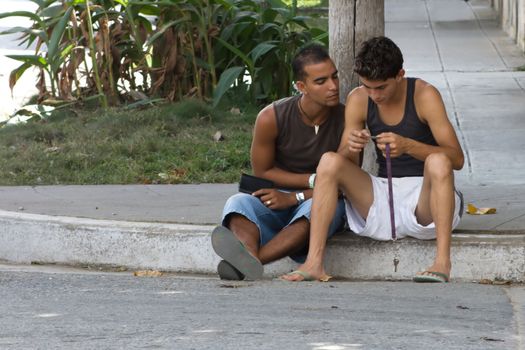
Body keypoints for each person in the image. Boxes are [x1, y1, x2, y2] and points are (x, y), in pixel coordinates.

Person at [282, 36, 464, 283]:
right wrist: (351, 146)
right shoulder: (359, 98)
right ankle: (314, 262)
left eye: (381, 87)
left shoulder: (425, 95)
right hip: (382, 195)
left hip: (426, 197)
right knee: (329, 161)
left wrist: (408, 146)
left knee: (439, 160)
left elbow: (457, 159)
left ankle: (442, 262)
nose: (374, 95)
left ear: (400, 75)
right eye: (368, 86)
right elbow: (345, 164)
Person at [211, 44, 346, 280]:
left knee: (317, 209)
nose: (333, 86)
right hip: (277, 195)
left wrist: (297, 196)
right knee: (238, 203)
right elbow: (262, 171)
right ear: (301, 86)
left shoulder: (347, 119)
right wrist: (310, 181)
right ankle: (248, 254)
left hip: (323, 199)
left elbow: (345, 181)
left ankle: (250, 261)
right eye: (321, 81)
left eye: (334, 77)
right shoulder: (271, 117)